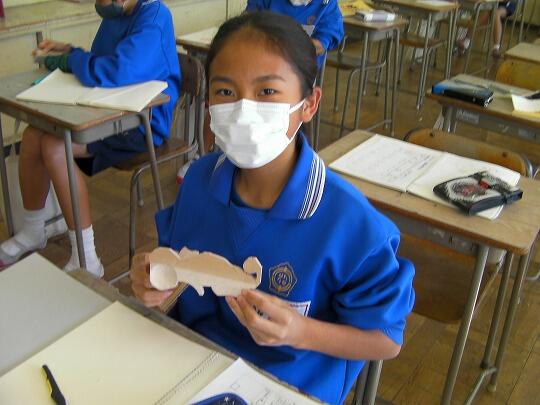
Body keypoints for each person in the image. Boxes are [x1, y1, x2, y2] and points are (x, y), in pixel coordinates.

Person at [131, 12, 414, 405]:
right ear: (209, 103)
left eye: (266, 92)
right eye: (226, 91)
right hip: (192, 364)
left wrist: (299, 331)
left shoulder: (351, 225)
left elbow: (385, 339)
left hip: (286, 385)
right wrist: (152, 282)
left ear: (309, 104)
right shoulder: (199, 181)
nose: (243, 110)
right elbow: (178, 271)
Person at [0, 0, 181, 276]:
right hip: (109, 111)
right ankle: (34, 229)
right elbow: (101, 60)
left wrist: (71, 60)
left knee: (54, 146)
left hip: (142, 124)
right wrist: (71, 52)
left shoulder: (155, 16)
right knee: (32, 136)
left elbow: (119, 70)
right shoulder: (115, 14)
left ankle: (87, 259)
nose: (99, 3)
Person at [245, 0, 344, 65]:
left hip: (300, 71)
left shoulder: (327, 6)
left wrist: (283, 48)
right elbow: (245, 25)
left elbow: (320, 45)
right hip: (260, 62)